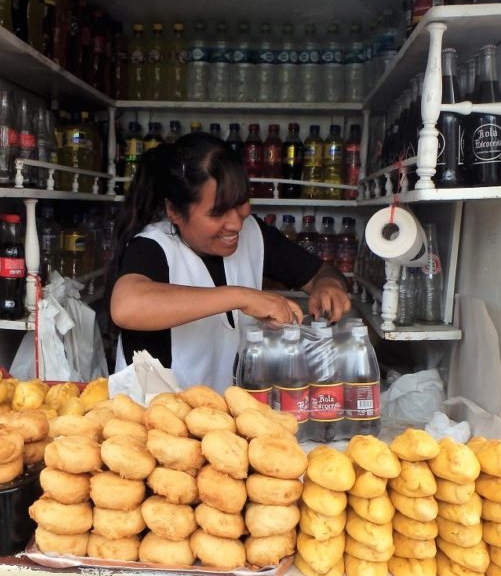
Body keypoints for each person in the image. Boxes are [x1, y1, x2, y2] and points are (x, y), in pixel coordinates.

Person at [108, 133, 351, 392]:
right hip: (151, 419)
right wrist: (243, 297)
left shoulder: (253, 235)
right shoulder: (153, 246)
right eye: (218, 212)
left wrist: (328, 285)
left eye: (241, 202)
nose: (236, 222)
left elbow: (321, 273)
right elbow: (127, 306)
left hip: (223, 419)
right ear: (174, 211)